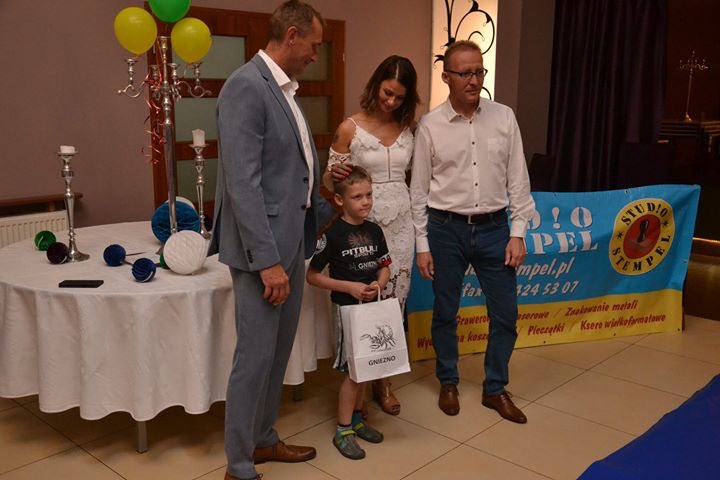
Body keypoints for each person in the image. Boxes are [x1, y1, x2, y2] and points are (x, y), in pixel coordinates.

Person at [208, 2, 334, 479]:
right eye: (313, 46)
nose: (315, 56)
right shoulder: (246, 86)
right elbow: (243, 185)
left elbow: (289, 173)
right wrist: (267, 262)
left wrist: (327, 198)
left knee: (277, 353)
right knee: (255, 357)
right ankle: (238, 465)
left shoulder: (284, 90)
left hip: (292, 242)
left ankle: (262, 440)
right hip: (263, 253)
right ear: (292, 35)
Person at [409, 40, 535, 424]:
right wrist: (422, 245)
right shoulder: (430, 126)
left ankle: (495, 388)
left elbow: (518, 180)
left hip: (495, 228)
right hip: (445, 229)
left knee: (506, 314)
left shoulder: (504, 117)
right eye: (465, 73)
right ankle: (448, 380)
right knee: (446, 311)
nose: (474, 80)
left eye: (479, 71)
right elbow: (418, 191)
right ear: (446, 77)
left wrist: (518, 232)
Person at [324, 55, 420, 416]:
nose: (391, 101)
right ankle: (359, 379)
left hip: (402, 223)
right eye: (386, 93)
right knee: (366, 300)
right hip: (364, 222)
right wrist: (335, 175)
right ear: (375, 85)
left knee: (395, 302)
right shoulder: (350, 128)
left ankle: (384, 379)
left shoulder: (410, 128)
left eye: (399, 97)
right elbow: (328, 181)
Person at [307, 166, 391, 460]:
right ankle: (343, 430)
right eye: (357, 197)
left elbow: (384, 266)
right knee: (353, 372)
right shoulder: (331, 235)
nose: (366, 201)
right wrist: (349, 287)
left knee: (366, 367)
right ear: (340, 200)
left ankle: (356, 419)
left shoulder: (375, 230)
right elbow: (312, 276)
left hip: (372, 309)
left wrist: (379, 284)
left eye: (369, 194)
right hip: (347, 310)